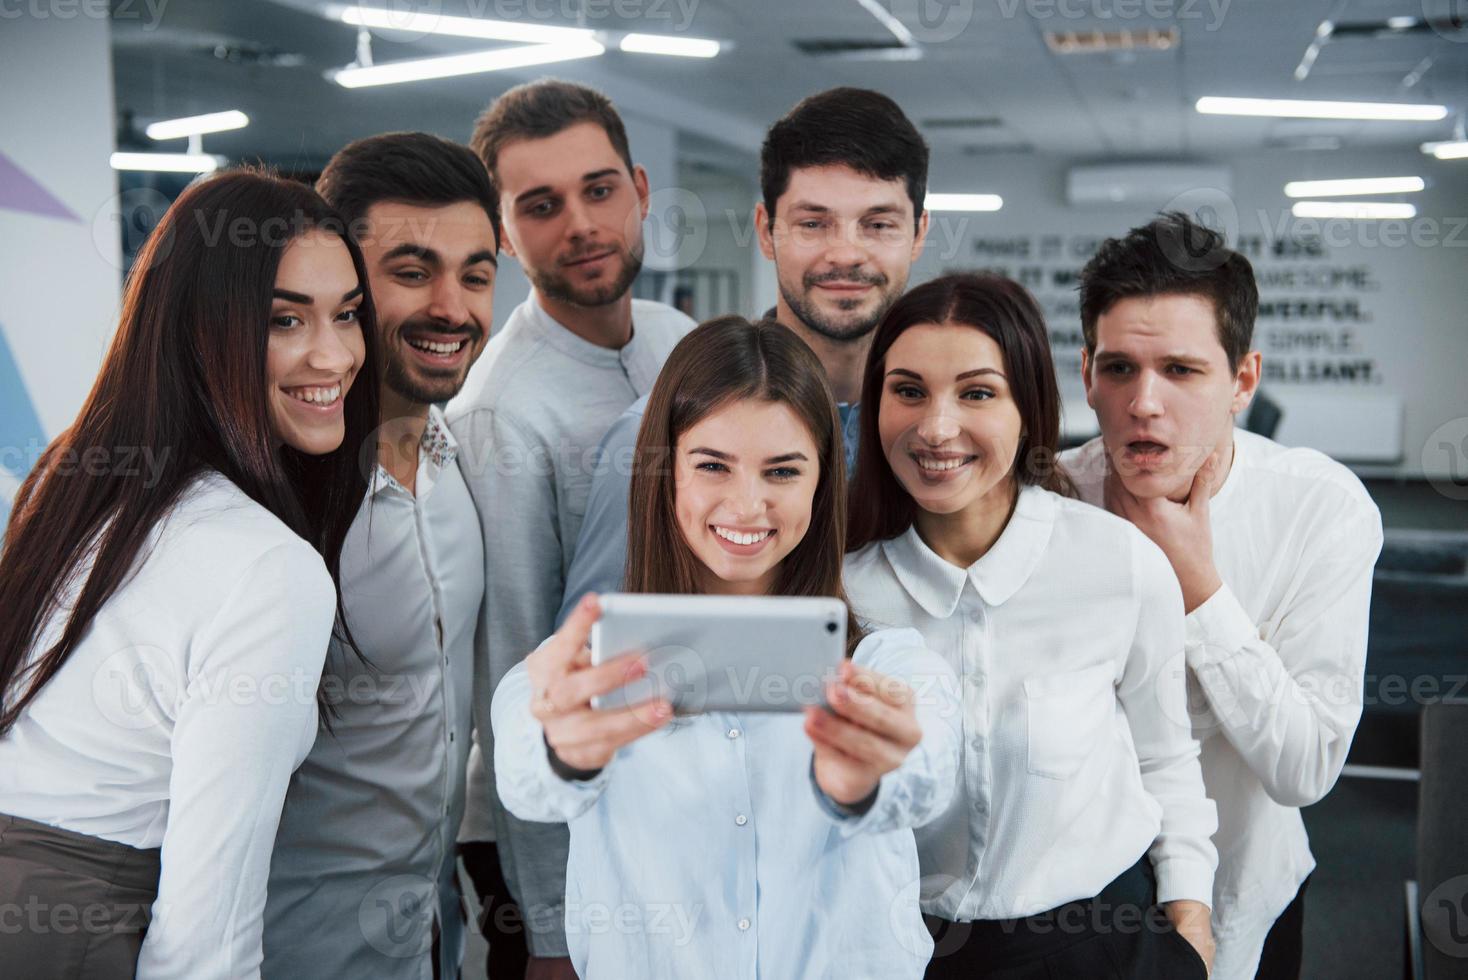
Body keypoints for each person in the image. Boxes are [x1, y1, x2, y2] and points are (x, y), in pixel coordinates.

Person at [491, 316, 961, 979]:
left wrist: (861, 785)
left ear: (822, 482)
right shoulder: (578, 677)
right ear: (665, 472)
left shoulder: (888, 667)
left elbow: (927, 771)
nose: (747, 504)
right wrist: (563, 756)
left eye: (782, 471)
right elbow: (524, 779)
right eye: (713, 465)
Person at [0, 169, 379, 978]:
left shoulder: (71, 482)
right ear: (198, 330)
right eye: (285, 320)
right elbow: (208, 927)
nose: (337, 354)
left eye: (348, 314)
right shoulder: (270, 569)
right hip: (70, 931)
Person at [843, 273, 1219, 979]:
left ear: (1028, 409)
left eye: (978, 392)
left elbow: (1166, 759)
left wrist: (1190, 920)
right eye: (909, 390)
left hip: (1097, 941)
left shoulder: (1119, 564)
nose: (936, 427)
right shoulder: (845, 590)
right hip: (905, 948)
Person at [1061, 212, 1383, 980]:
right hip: (1075, 907)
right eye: (1119, 369)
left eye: (1180, 370)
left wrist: (1200, 589)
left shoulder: (1320, 508)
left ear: (1242, 380)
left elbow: (1305, 767)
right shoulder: (1049, 497)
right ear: (1086, 375)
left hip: (1246, 900)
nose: (1144, 403)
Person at [449, 79, 695, 976]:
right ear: (505, 234)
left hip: (653, 784)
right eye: (540, 207)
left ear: (638, 189)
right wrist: (553, 932)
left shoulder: (677, 340)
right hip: (546, 821)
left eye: (599, 190)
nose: (581, 224)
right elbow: (511, 670)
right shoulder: (502, 414)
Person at [262, 132, 499, 980]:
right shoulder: (274, 508)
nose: (453, 306)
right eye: (411, 270)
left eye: (476, 274)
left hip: (432, 941)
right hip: (293, 952)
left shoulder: (459, 463)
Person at [558, 85, 931, 619]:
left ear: (918, 234)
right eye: (813, 223)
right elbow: (591, 643)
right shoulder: (659, 431)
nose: (846, 254)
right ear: (765, 230)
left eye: (878, 225)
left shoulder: (941, 438)